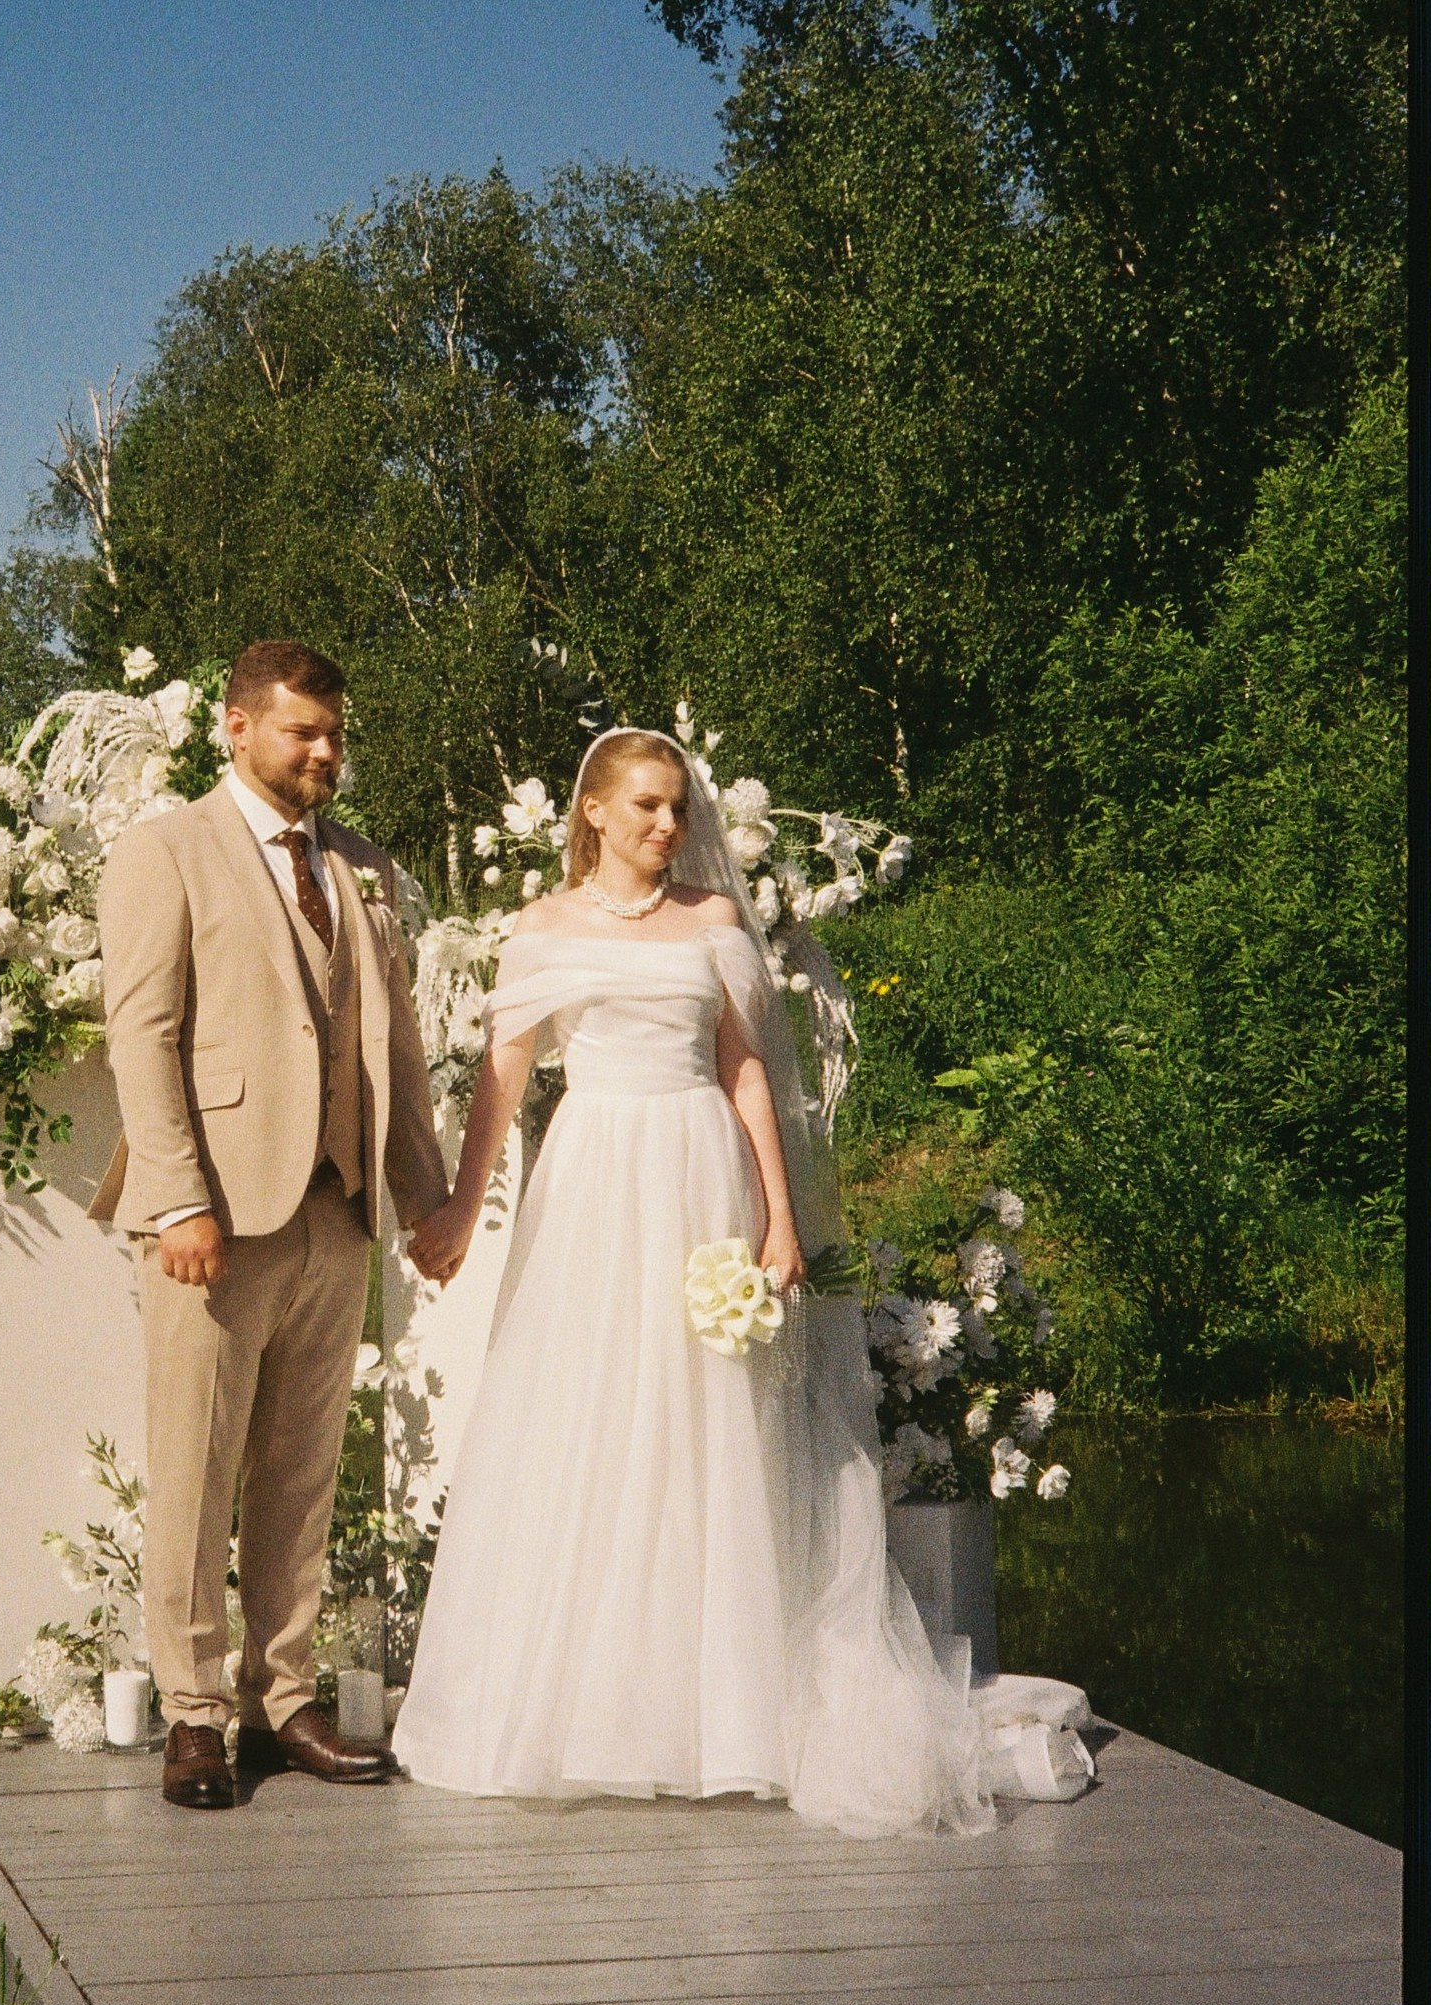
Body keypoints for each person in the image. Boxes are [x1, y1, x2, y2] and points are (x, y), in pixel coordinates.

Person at [395, 728, 993, 1835]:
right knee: (586, 1418)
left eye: (678, 806)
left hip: (698, 1173)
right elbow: (503, 1076)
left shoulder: (713, 920)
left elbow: (744, 1069)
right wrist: (463, 1209)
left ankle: (716, 1715)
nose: (669, 825)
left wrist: (779, 1217)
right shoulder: (539, 929)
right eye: (647, 806)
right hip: (593, 1179)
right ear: (593, 812)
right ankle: (580, 1709)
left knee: (706, 1422)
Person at [92, 642, 452, 1810]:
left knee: (301, 1471)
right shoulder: (165, 851)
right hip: (212, 1218)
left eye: (335, 732)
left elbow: (392, 1045)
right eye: (304, 732)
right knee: (195, 1471)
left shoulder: (362, 866)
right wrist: (178, 1196)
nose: (325, 751)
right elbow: (143, 1034)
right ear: (237, 728)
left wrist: (427, 1197)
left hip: (334, 1211)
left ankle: (282, 1698)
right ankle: (194, 1714)